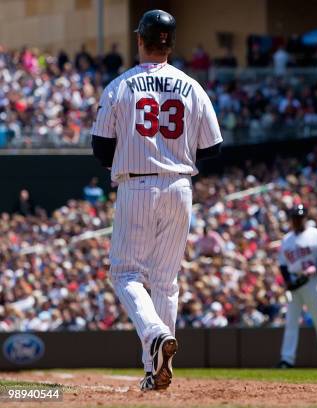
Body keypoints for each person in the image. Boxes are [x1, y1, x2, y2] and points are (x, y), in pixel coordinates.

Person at [90, 9, 222, 391]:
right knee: (166, 281)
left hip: (136, 184)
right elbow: (212, 148)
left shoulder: (120, 85)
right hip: (180, 186)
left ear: (140, 40)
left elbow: (100, 147)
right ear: (171, 43)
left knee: (125, 273)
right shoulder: (192, 86)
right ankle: (155, 370)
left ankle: (154, 335)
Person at [277, 204, 317, 369]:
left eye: (300, 217)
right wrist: (288, 281)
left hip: (313, 282)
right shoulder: (287, 239)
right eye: (295, 218)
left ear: (305, 218)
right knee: (291, 322)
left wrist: (316, 268)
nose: (297, 220)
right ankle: (286, 360)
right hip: (295, 282)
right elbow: (282, 265)